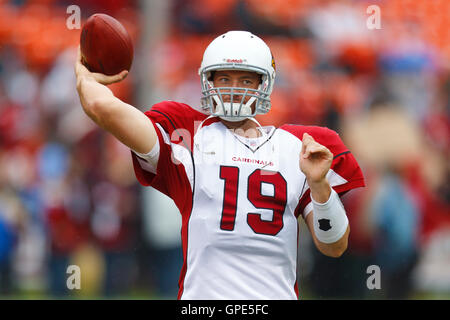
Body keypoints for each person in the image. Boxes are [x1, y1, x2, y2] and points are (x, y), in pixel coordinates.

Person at [75, 31, 365, 299]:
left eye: (246, 80)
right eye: (224, 79)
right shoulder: (187, 135)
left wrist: (319, 185)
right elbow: (103, 107)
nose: (233, 89)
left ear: (265, 84)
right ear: (208, 81)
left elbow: (334, 245)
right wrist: (85, 74)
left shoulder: (297, 147)